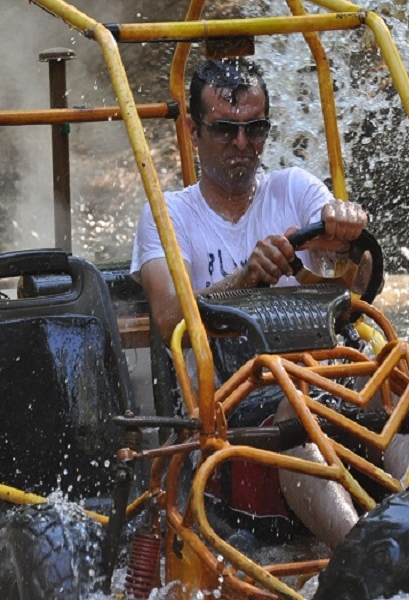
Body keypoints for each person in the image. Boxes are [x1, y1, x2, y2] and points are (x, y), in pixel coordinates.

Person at [131, 58, 369, 548]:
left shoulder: (294, 188)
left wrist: (350, 235)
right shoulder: (167, 214)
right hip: (230, 403)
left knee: (391, 381)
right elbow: (169, 318)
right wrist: (246, 278)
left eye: (254, 129)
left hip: (317, 378)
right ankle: (364, 554)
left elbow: (357, 281)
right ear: (195, 132)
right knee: (299, 406)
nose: (242, 145)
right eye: (225, 131)